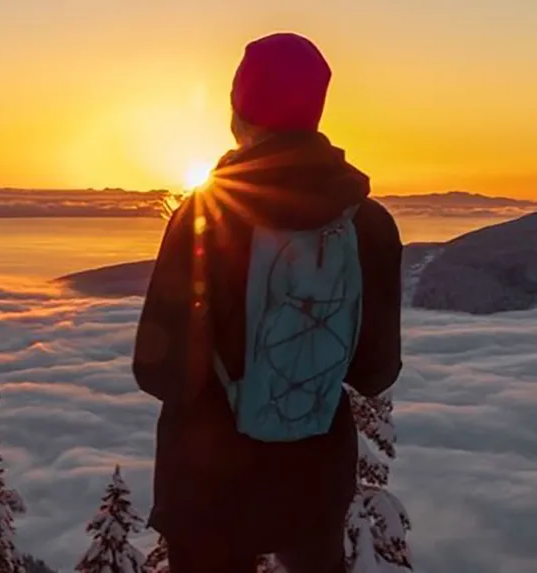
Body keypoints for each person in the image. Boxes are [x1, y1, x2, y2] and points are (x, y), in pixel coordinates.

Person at [132, 32, 403, 573]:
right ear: (315, 112)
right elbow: (376, 372)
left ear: (239, 109)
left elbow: (161, 371)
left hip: (209, 486)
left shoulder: (207, 213)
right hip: (314, 482)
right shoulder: (368, 224)